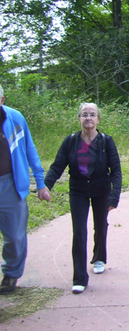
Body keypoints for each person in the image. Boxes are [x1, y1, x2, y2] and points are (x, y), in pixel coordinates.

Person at [44, 103, 122, 294]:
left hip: (101, 189)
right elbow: (57, 166)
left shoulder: (106, 141)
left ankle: (98, 258)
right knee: (79, 231)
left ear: (98, 119)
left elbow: (116, 171)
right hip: (78, 190)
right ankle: (79, 278)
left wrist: (114, 196)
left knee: (100, 225)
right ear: (79, 119)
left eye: (92, 114)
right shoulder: (70, 141)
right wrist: (46, 185)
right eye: (84, 114)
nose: (88, 118)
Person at [0, 84, 49, 295]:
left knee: (15, 236)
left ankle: (11, 275)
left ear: (2, 100)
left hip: (10, 184)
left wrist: (40, 182)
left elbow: (30, 150)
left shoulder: (15, 119)